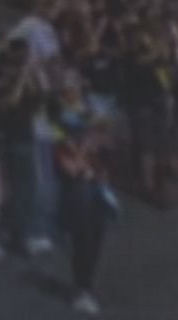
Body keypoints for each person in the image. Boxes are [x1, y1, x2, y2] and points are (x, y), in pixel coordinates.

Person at [57, 128, 118, 314]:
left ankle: (88, 285)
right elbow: (72, 171)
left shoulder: (94, 151)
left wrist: (96, 154)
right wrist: (82, 150)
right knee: (82, 247)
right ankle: (80, 291)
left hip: (96, 204)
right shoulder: (62, 150)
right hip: (79, 204)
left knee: (95, 246)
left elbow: (103, 171)